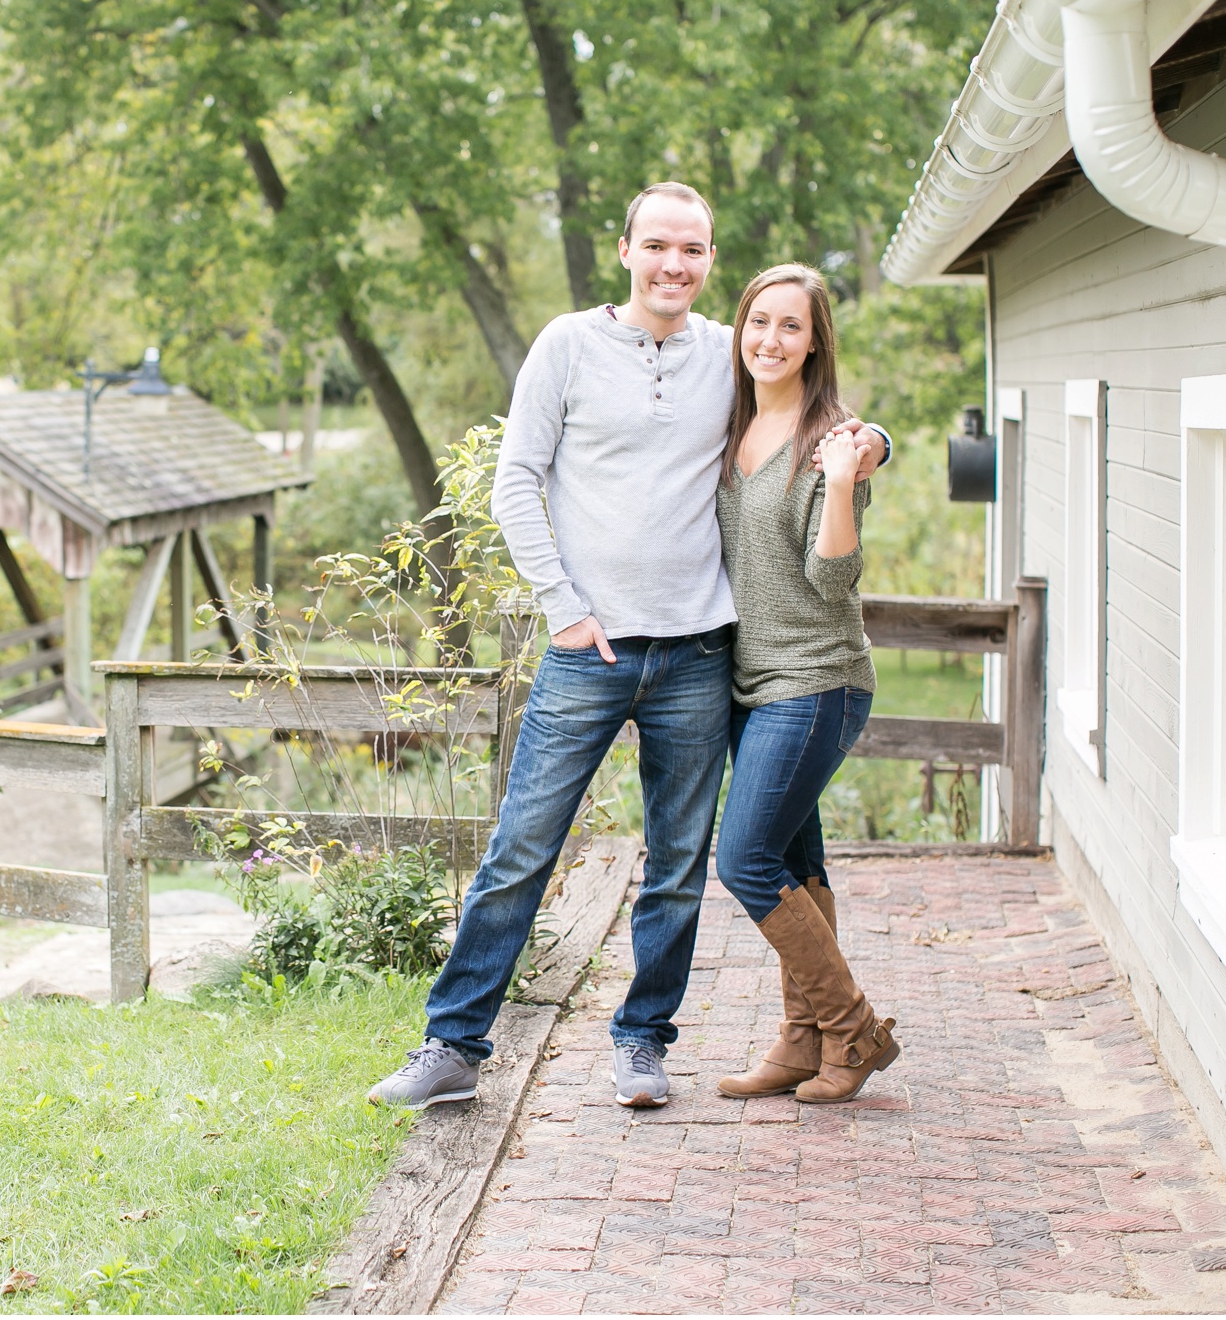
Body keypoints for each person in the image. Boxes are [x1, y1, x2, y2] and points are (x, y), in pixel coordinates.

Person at [369, 183, 891, 1111]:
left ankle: (643, 1043)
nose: (673, 265)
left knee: (679, 865)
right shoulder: (567, 345)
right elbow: (515, 482)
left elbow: (816, 410)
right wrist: (563, 606)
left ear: (709, 263)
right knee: (522, 847)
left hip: (698, 655)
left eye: (692, 250)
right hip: (588, 650)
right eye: (657, 246)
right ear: (625, 250)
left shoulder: (721, 361)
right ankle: (452, 1045)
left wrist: (873, 442)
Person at [712, 263, 899, 1104]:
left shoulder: (833, 441)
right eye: (758, 321)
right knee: (794, 859)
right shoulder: (726, 427)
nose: (770, 340)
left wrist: (851, 470)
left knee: (745, 858)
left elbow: (835, 578)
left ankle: (851, 1029)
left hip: (817, 681)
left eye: (791, 326)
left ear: (816, 339)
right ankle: (802, 1039)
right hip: (749, 685)